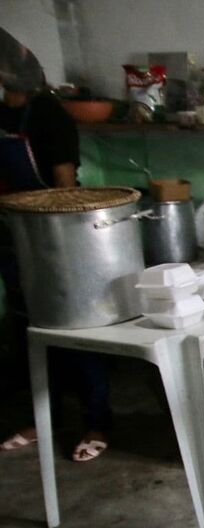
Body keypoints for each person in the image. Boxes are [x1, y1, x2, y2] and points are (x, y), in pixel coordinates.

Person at [0, 28, 112, 461]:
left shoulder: (49, 117)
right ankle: (43, 418)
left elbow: (64, 189)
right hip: (10, 238)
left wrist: (51, 242)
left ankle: (98, 419)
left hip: (56, 239)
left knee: (78, 331)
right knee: (30, 332)